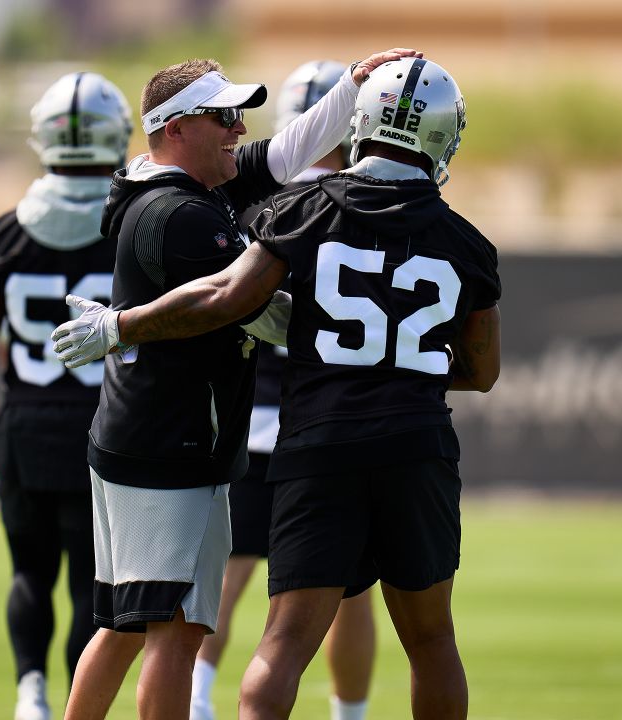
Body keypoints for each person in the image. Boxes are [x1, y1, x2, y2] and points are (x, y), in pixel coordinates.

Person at [53, 55, 501, 720]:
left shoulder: (295, 209)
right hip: (410, 444)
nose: (239, 128)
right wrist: (396, 364)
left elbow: (233, 293)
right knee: (433, 641)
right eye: (224, 116)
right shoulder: (468, 243)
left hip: (317, 445)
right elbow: (481, 370)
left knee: (281, 642)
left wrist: (121, 326)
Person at [189, 59, 376, 720]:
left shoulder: (256, 200)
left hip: (256, 416)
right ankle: (347, 715)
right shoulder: (374, 206)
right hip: (338, 422)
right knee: (350, 592)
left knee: (227, 576)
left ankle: (200, 703)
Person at [0, 72, 133, 720]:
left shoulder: (7, 233)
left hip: (22, 424)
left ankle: (31, 692)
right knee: (90, 579)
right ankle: (79, 704)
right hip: (102, 427)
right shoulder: (132, 223)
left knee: (30, 571)